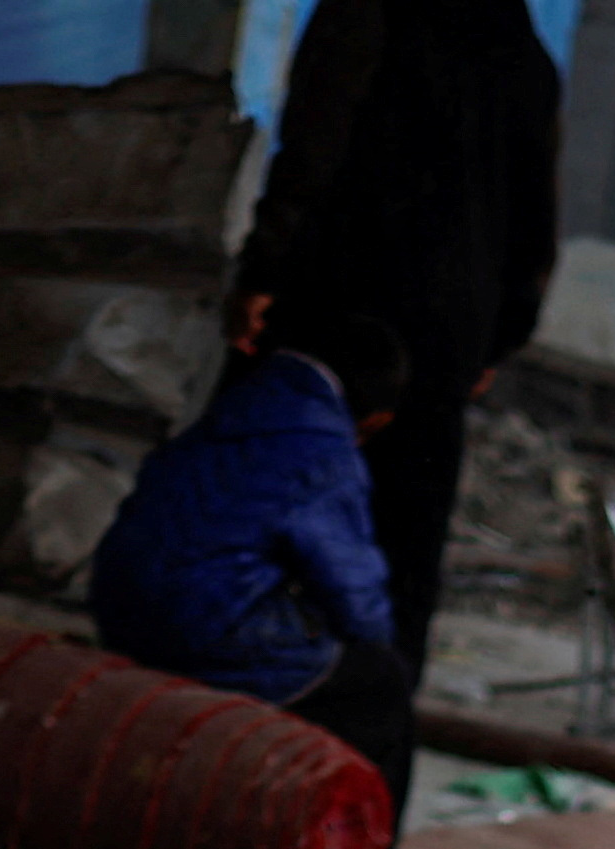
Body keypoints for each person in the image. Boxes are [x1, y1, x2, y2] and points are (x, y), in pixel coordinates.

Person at [221, 0, 558, 704]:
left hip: (337, 318)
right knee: (399, 567)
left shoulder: (366, 14)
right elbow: (535, 227)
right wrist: (497, 335)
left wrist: (263, 274)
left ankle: (249, 764)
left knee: (273, 537)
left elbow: (312, 148)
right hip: (446, 346)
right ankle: (364, 780)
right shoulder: (522, 54)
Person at [85, 304, 412, 804]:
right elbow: (351, 585)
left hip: (118, 606)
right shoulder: (320, 448)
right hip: (204, 629)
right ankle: (354, 848)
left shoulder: (231, 411)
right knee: (377, 684)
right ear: (373, 419)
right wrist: (375, 640)